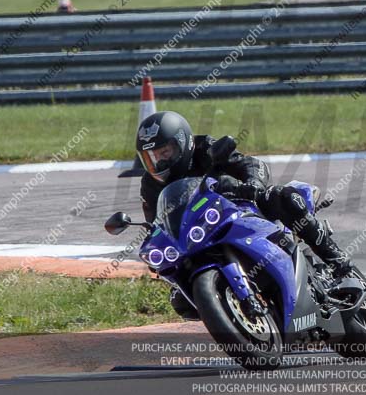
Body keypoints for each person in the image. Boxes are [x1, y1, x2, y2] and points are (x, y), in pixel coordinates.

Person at [135, 111, 353, 319]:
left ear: (182, 142)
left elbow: (252, 164)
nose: (159, 162)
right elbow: (156, 221)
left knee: (284, 197)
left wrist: (252, 186)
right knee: (180, 300)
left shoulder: (205, 148)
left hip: (241, 206)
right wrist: (155, 244)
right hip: (200, 233)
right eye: (151, 157)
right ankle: (235, 315)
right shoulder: (150, 185)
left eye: (165, 153)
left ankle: (335, 259)